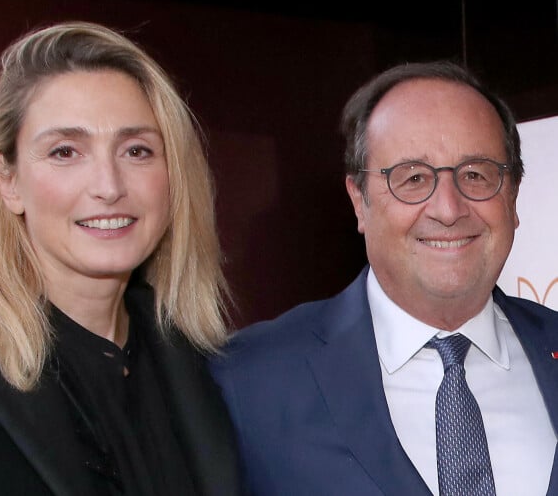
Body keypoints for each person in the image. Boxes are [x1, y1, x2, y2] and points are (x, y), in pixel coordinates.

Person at [209, 60, 558, 496]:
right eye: (412, 178)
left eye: (476, 174)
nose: (448, 209)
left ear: (513, 194)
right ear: (359, 200)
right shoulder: (248, 381)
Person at [0, 21, 242, 495]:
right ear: (7, 180)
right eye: (65, 152)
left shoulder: (215, 370)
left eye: (137, 150)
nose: (109, 186)